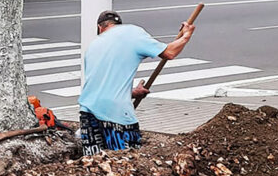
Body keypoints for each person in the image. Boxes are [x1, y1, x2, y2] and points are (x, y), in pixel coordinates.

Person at [77, 10, 195, 155]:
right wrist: (186, 35)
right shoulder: (132, 32)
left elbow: (100, 85)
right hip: (116, 114)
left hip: (87, 113)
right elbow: (169, 52)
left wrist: (132, 93)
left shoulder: (93, 46)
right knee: (127, 163)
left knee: (95, 166)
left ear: (100, 28)